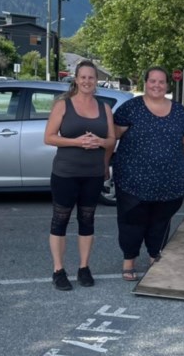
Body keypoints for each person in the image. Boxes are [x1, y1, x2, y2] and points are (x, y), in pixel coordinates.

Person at [112, 66, 184, 281]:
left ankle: (154, 256)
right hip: (133, 182)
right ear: (145, 82)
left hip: (170, 182)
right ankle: (129, 260)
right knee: (132, 221)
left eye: (161, 81)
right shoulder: (130, 108)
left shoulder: (178, 111)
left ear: (167, 85)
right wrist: (104, 164)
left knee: (161, 220)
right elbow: (111, 138)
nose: (157, 85)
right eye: (152, 81)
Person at [43, 60, 116, 291]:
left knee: (87, 220)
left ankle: (84, 268)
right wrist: (75, 142)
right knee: (60, 220)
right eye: (83, 77)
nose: (87, 81)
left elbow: (112, 141)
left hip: (92, 173)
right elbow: (49, 137)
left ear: (96, 81)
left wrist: (100, 143)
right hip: (65, 172)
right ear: (76, 79)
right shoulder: (63, 105)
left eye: (91, 78)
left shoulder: (104, 107)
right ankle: (58, 270)